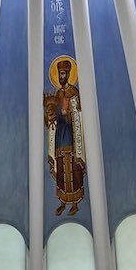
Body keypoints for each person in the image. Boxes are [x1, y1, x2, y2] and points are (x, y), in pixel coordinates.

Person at [44, 55, 85, 216]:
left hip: (72, 136)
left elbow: (78, 116)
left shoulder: (73, 92)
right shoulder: (56, 95)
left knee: (74, 168)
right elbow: (51, 120)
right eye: (59, 74)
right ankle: (62, 201)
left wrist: (66, 114)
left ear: (68, 74)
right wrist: (50, 116)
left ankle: (75, 202)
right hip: (60, 138)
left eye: (64, 74)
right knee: (61, 167)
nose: (62, 77)